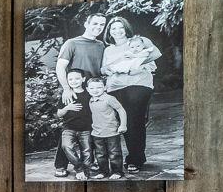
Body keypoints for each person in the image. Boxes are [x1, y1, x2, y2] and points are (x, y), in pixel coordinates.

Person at [101, 13, 163, 172]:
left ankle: (135, 158)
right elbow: (103, 69)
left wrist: (136, 64)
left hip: (139, 83)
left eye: (121, 27)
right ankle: (137, 156)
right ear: (109, 32)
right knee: (124, 121)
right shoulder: (108, 50)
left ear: (126, 29)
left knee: (134, 118)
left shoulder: (138, 41)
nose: (118, 31)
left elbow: (156, 54)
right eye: (113, 28)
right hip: (115, 86)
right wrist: (112, 68)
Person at [53, 12, 109, 176]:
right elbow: (60, 67)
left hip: (94, 91)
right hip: (75, 90)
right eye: (95, 24)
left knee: (92, 128)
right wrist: (66, 88)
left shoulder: (101, 45)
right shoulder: (72, 43)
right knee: (70, 125)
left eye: (101, 25)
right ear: (86, 24)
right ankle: (60, 165)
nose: (98, 27)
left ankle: (89, 163)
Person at [86, 72, 129, 179]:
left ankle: (117, 172)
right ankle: (103, 171)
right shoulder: (91, 99)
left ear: (105, 87)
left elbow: (121, 110)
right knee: (100, 154)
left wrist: (123, 125)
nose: (95, 90)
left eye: (99, 87)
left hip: (111, 131)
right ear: (87, 89)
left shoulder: (109, 98)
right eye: (92, 88)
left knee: (114, 153)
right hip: (97, 132)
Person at [58, 70, 95, 179]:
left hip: (86, 128)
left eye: (77, 78)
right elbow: (59, 114)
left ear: (83, 79)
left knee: (87, 151)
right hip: (69, 128)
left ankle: (86, 171)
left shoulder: (89, 94)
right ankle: (79, 168)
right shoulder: (66, 95)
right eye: (70, 79)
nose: (74, 81)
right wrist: (67, 108)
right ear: (67, 81)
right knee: (66, 146)